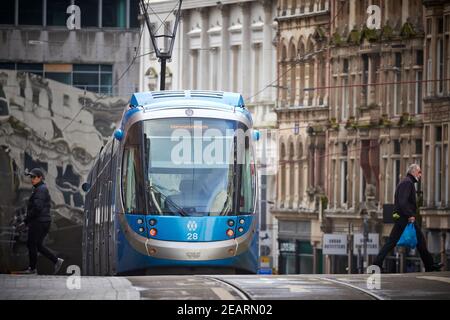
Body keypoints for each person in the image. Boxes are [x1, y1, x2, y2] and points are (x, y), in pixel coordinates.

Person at [373, 164, 443, 272]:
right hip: (405, 218)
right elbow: (403, 202)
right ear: (413, 172)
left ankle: (377, 263)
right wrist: (410, 215)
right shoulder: (407, 183)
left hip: (402, 217)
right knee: (419, 240)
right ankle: (430, 265)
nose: (420, 175)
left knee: (396, 241)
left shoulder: (406, 182)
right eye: (419, 172)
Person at [20, 168, 64, 275]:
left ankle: (32, 268)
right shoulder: (40, 188)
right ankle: (56, 260)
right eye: (31, 177)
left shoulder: (40, 189)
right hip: (43, 221)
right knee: (38, 245)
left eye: (34, 177)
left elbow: (37, 207)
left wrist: (26, 221)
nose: (32, 179)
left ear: (40, 178)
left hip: (39, 221)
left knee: (31, 244)